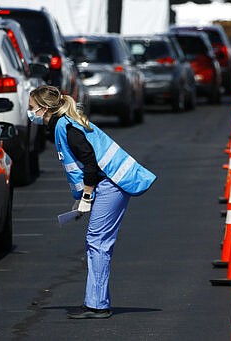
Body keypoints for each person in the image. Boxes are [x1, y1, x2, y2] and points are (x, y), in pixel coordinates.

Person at [28, 85, 156, 319]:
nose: (30, 113)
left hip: (111, 183)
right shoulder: (63, 125)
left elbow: (89, 162)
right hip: (108, 183)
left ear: (45, 109)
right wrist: (82, 197)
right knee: (97, 241)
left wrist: (87, 196)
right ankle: (96, 302)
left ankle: (97, 305)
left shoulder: (66, 127)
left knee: (97, 242)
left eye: (32, 108)